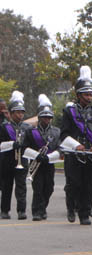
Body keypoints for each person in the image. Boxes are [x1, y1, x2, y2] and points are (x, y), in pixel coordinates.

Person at [60, 66, 92, 225]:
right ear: (78, 95)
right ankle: (71, 208)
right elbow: (64, 135)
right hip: (75, 153)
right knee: (74, 184)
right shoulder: (69, 111)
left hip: (91, 153)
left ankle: (85, 214)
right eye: (86, 94)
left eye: (91, 94)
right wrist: (76, 145)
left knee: (90, 185)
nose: (89, 97)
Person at [23, 94, 61, 221]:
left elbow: (60, 148)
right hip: (36, 162)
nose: (47, 119)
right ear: (39, 117)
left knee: (49, 187)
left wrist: (49, 157)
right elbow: (24, 147)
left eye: (49, 117)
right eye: (44, 117)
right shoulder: (30, 131)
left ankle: (43, 208)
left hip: (49, 163)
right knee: (38, 188)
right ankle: (36, 212)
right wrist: (37, 155)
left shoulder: (56, 131)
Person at [0, 91, 32, 219]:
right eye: (17, 112)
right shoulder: (4, 127)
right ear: (11, 114)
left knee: (21, 187)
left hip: (22, 160)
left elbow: (31, 144)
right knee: (6, 186)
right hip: (7, 160)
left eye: (22, 112)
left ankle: (21, 211)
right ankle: (4, 210)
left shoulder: (27, 127)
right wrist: (12, 144)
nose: (20, 115)